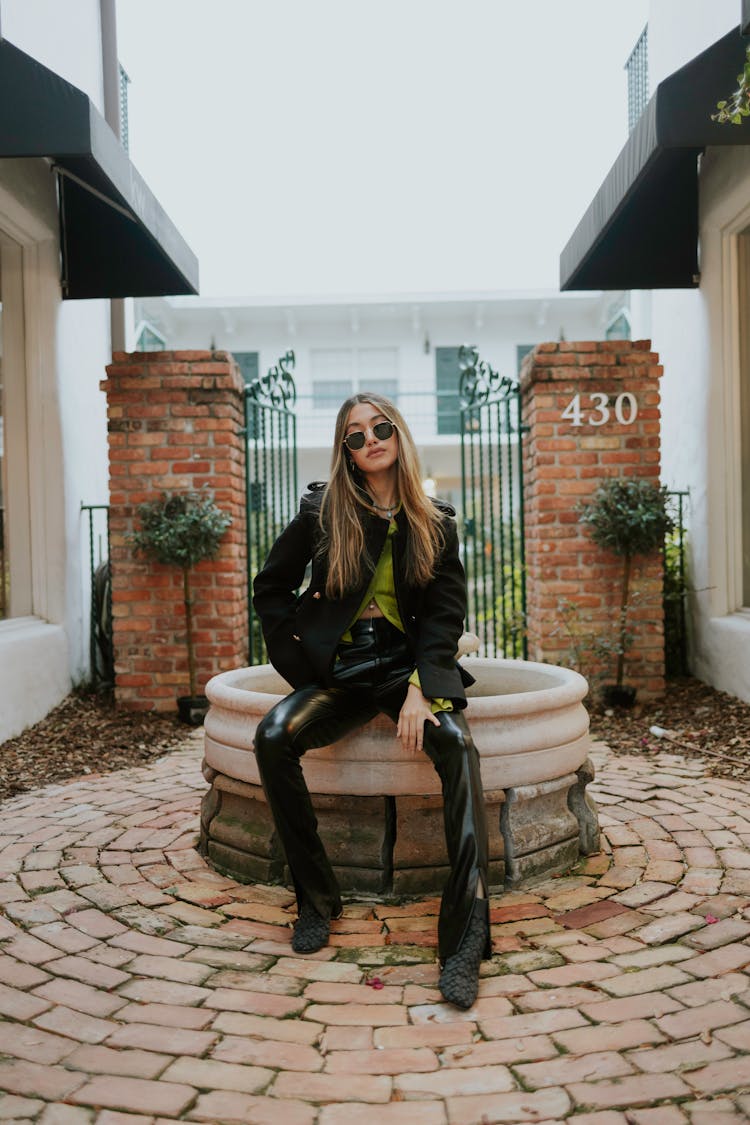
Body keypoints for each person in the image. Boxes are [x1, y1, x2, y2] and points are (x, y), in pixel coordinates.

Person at [252, 392, 490, 1009]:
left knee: (458, 750)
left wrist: (420, 687)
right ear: (345, 451)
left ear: (398, 433)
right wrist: (301, 666)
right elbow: (271, 587)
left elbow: (445, 614)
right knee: (273, 736)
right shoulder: (322, 512)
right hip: (338, 671)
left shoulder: (434, 519)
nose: (369, 440)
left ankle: (464, 938)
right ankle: (316, 899)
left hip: (402, 669)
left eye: (379, 427)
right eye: (354, 435)